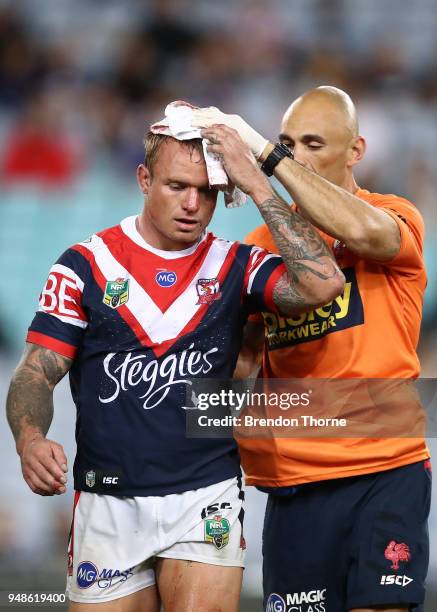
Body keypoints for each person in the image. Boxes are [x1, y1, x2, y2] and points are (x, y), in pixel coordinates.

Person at [6, 116, 344, 611]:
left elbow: (323, 284)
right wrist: (30, 439)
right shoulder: (84, 266)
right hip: (107, 500)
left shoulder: (237, 266)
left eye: (206, 191)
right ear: (144, 180)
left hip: (204, 493)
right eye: (176, 186)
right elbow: (36, 371)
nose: (192, 204)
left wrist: (256, 181)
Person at [192, 87, 431, 612]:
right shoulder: (260, 247)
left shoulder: (394, 216)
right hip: (295, 481)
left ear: (356, 150)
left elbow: (362, 233)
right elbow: (244, 360)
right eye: (287, 143)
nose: (296, 155)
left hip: (384, 469)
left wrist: (263, 168)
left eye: (313, 143)